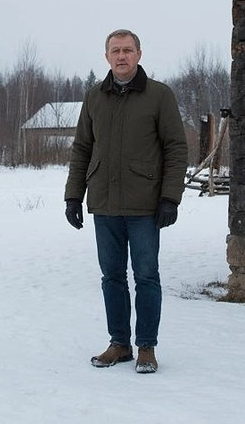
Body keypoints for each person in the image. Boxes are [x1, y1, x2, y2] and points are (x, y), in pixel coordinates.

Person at [64, 29, 188, 374]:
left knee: (147, 275)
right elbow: (82, 150)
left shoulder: (159, 95)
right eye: (115, 51)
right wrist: (74, 194)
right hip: (104, 203)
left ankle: (146, 346)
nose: (122, 56)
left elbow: (176, 149)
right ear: (106, 57)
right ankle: (119, 343)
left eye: (128, 50)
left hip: (145, 205)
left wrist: (169, 197)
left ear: (139, 54)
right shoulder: (94, 98)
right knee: (112, 277)